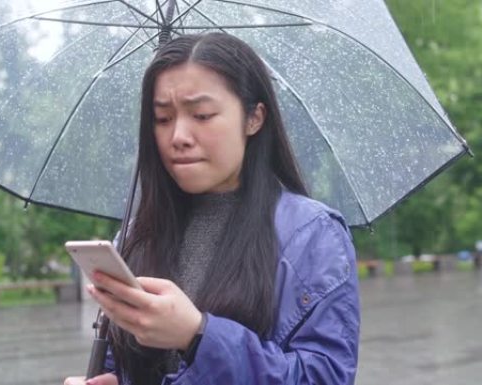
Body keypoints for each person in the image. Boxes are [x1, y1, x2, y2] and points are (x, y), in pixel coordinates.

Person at [64, 32, 360, 385]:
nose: (178, 136)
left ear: (254, 118)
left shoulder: (312, 235)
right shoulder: (136, 233)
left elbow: (323, 377)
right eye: (162, 119)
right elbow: (126, 365)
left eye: (201, 115)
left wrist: (198, 336)